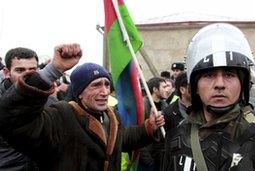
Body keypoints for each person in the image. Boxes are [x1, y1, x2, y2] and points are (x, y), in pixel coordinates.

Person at [0, 43, 165, 171]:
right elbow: (16, 121)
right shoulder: (61, 114)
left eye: (106, 84)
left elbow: (123, 138)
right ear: (79, 92)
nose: (104, 91)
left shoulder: (110, 115)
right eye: (95, 85)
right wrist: (52, 71)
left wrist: (148, 127)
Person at [163, 23, 255, 170]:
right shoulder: (176, 137)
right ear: (195, 87)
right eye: (209, 75)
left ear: (242, 85)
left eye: (229, 75)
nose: (220, 84)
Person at [0, 47, 39, 170]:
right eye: (20, 70)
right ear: (7, 72)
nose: (26, 75)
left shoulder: (49, 100)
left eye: (32, 70)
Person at [138, 77, 168, 171]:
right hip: (148, 159)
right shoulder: (143, 106)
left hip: (161, 157)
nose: (166, 90)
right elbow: (138, 134)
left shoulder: (165, 105)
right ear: (155, 89)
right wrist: (147, 160)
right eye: (163, 87)